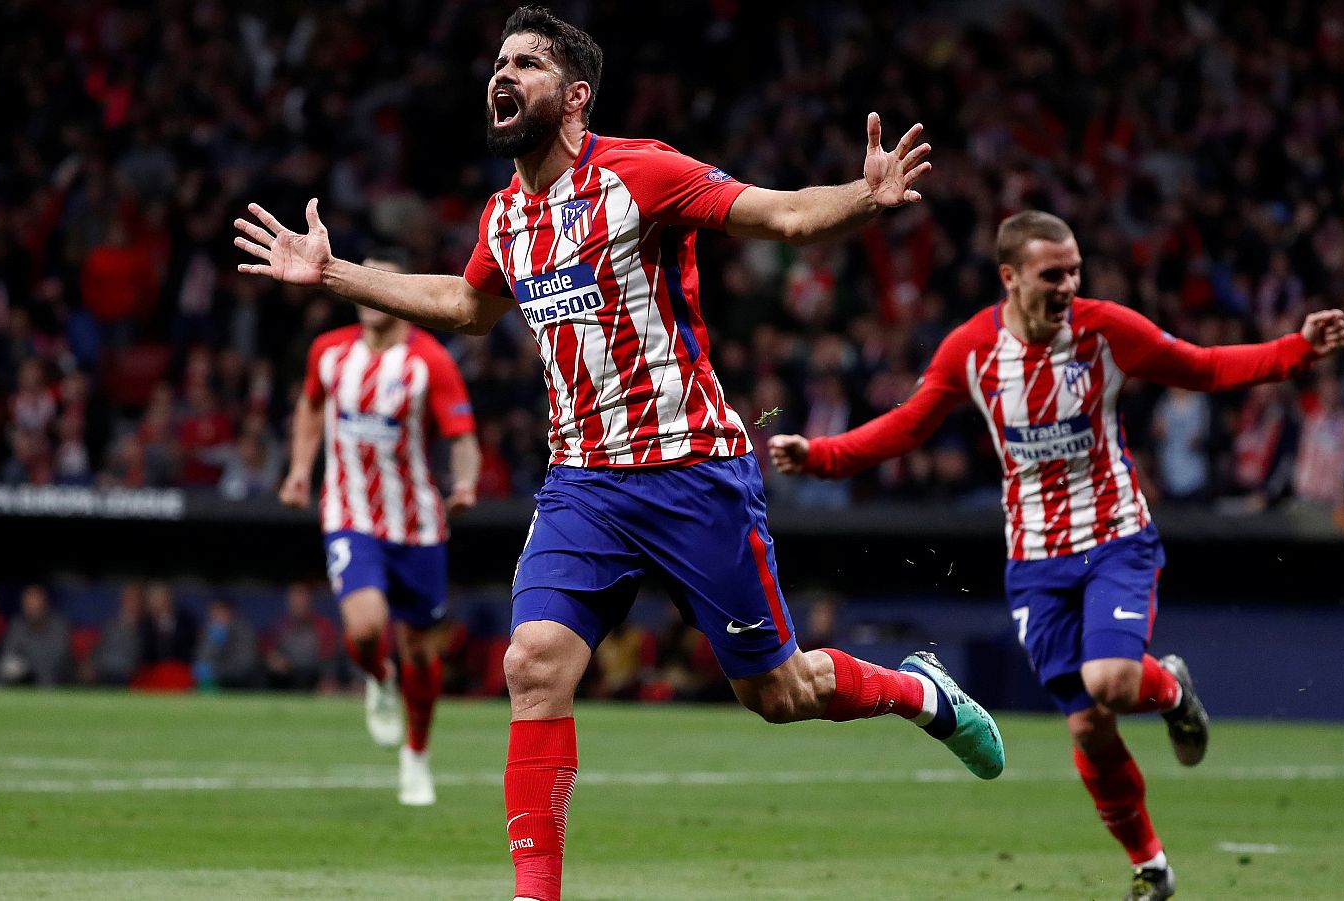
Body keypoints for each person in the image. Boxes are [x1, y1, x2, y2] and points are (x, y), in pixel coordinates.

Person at [236, 8, 1003, 899]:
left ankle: (921, 694)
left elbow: (783, 216)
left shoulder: (642, 173)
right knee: (534, 666)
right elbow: (464, 304)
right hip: (583, 485)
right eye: (498, 60)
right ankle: (536, 893)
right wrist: (333, 273)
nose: (502, 72)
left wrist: (861, 198)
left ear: (574, 95)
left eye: (525, 62)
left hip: (693, 472)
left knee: (779, 692)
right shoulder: (507, 215)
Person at [770, 210, 1344, 900]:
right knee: (1087, 723)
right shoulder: (972, 350)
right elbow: (908, 425)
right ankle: (1152, 865)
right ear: (1011, 277)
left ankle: (1167, 687)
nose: (1070, 283)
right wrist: (823, 456)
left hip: (1114, 539)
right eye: (1054, 272)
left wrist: (1297, 350)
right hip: (1035, 561)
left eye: (1075, 269)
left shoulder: (1106, 330)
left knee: (1108, 681)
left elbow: (1201, 367)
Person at [279, 252, 480, 807]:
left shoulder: (430, 362)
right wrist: (299, 471)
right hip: (350, 514)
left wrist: (465, 483)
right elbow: (310, 408)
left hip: (416, 524)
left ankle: (416, 755)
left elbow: (461, 433)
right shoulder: (328, 351)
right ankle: (376, 675)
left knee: (421, 649)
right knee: (366, 628)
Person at [0, 584, 72, 687]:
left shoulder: (59, 625)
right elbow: (9, 654)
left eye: (36, 603)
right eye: (29, 604)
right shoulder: (17, 625)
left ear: (44, 604)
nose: (32, 607)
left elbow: (58, 658)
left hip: (55, 682)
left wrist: (30, 665)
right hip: (25, 683)